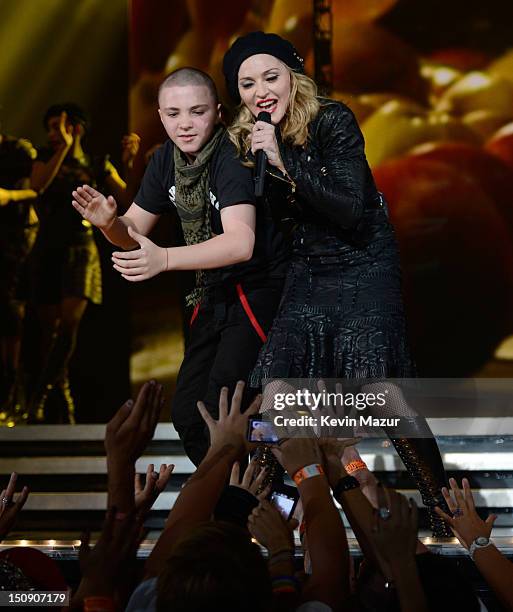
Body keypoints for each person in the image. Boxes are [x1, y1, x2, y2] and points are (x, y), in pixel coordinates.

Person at [222, 31, 451, 537]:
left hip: (363, 260)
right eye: (246, 82)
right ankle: (262, 515)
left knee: (378, 391)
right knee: (275, 388)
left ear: (293, 78)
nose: (260, 90)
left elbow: (349, 208)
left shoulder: (332, 120)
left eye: (270, 76)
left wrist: (284, 163)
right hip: (309, 267)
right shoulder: (247, 140)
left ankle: (444, 507)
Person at [72, 68, 288, 466]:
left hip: (255, 291)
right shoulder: (164, 161)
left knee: (221, 409)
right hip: (212, 292)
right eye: (173, 114)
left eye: (196, 111)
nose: (184, 124)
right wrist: (109, 224)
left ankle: (257, 500)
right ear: (159, 116)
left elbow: (241, 243)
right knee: (189, 414)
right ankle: (241, 503)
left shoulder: (231, 156)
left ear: (218, 113)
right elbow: (133, 230)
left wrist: (165, 259)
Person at [27, 103, 135, 424]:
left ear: (76, 128)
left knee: (69, 323)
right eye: (49, 128)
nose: (51, 133)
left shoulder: (98, 165)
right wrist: (59, 149)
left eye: (58, 126)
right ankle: (61, 396)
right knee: (50, 329)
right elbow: (37, 186)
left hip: (80, 248)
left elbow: (129, 201)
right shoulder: (43, 158)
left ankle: (40, 395)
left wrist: (129, 165)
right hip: (47, 248)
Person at [0, 133, 38, 421]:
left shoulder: (19, 151)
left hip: (16, 247)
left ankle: (14, 399)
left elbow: (39, 186)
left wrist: (14, 196)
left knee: (13, 320)